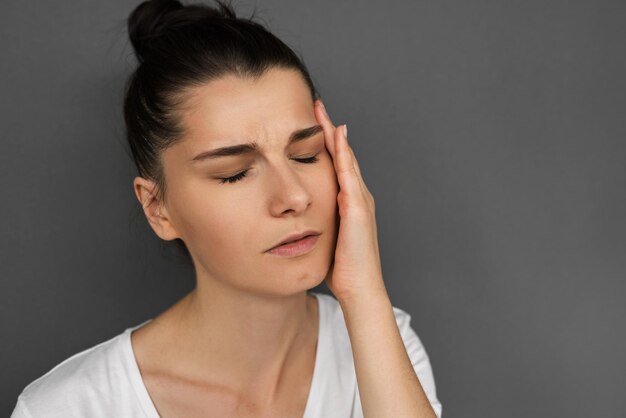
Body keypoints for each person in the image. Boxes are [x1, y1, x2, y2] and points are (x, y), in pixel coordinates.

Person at [11, 0, 443, 417]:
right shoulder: (69, 407)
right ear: (157, 207)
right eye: (235, 173)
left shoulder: (383, 343)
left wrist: (364, 294)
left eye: (307, 154)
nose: (293, 197)